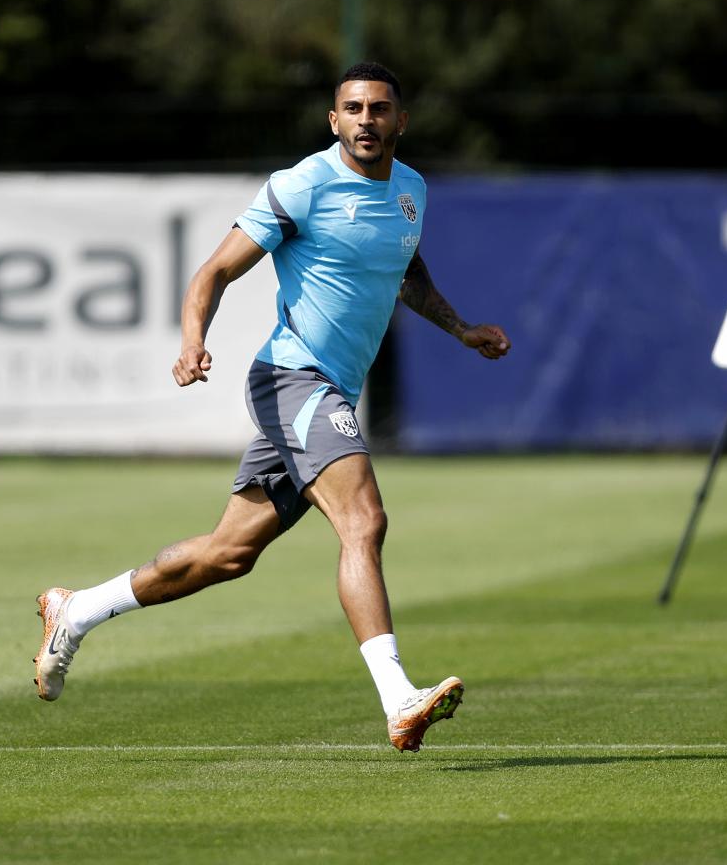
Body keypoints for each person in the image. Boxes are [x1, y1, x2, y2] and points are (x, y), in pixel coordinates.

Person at [33, 62, 510, 752]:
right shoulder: (303, 185)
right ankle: (399, 699)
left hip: (327, 387)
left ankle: (76, 610)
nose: (367, 120)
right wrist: (192, 342)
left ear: (401, 121)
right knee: (363, 520)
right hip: (292, 377)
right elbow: (214, 271)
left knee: (228, 555)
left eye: (379, 109)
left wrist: (460, 329)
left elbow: (405, 270)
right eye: (353, 108)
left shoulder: (411, 191)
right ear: (334, 120)